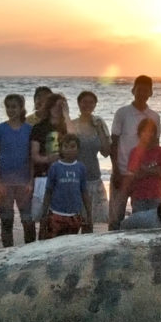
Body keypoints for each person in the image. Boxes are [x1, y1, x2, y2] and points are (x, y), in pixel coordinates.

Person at [109, 75, 160, 230]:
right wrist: (116, 170)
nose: (142, 93)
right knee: (115, 218)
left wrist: (153, 175)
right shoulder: (122, 113)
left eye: (146, 90)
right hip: (122, 173)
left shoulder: (154, 117)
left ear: (151, 93)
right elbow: (114, 143)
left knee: (142, 219)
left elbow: (155, 147)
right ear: (133, 90)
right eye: (139, 90)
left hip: (143, 176)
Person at [0, 94, 35, 247]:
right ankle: (7, 253)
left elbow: (32, 158)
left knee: (28, 221)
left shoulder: (29, 129)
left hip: (24, 183)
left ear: (21, 108)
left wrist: (31, 181)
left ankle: (29, 252)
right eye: (8, 107)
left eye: (14, 106)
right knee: (7, 220)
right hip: (5, 183)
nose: (10, 110)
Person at [69, 90, 111, 233]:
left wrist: (99, 129)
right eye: (84, 102)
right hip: (74, 177)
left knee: (89, 221)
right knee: (72, 221)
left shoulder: (99, 123)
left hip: (93, 176)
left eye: (91, 102)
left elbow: (106, 152)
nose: (87, 105)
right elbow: (66, 152)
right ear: (78, 103)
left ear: (95, 105)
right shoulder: (72, 124)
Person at [30, 92, 71, 237]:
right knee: (44, 217)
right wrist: (49, 159)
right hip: (43, 175)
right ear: (49, 107)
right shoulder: (39, 128)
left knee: (62, 215)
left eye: (61, 106)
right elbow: (34, 155)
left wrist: (67, 115)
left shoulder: (67, 127)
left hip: (64, 175)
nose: (57, 109)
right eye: (55, 105)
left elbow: (74, 140)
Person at [40, 134, 91, 238]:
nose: (69, 150)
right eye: (65, 146)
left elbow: (84, 192)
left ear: (78, 149)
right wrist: (44, 214)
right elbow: (48, 191)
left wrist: (89, 213)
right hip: (56, 215)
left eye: (72, 146)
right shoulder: (55, 167)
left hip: (75, 215)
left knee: (70, 245)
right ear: (61, 148)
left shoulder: (81, 167)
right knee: (53, 243)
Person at [126, 117, 161, 214]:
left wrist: (145, 169)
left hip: (157, 196)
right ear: (139, 133)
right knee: (140, 226)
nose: (148, 135)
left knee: (157, 225)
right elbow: (135, 175)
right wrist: (155, 170)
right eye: (144, 131)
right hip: (139, 196)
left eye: (151, 132)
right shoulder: (135, 152)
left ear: (154, 134)